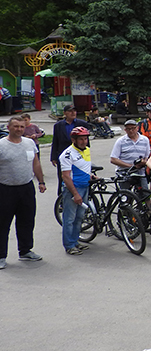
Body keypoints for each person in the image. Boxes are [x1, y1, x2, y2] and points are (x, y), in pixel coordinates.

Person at [0, 116, 46, 268]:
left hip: (26, 188)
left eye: (21, 126)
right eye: (15, 126)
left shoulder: (29, 143)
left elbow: (36, 162)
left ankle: (25, 251)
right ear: (9, 128)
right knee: (3, 223)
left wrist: (41, 181)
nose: (19, 129)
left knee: (27, 221)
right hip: (5, 189)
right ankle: (1, 256)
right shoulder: (1, 145)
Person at [59, 125, 93, 255]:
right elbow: (66, 177)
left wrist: (91, 175)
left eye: (85, 139)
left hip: (85, 186)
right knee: (69, 219)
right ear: (74, 140)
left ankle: (75, 241)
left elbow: (84, 167)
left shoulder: (87, 150)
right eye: (81, 139)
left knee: (79, 217)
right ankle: (69, 245)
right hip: (73, 188)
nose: (84, 141)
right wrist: (75, 194)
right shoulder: (67, 154)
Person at [50, 104, 91, 196]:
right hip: (64, 155)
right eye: (70, 111)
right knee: (64, 177)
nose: (73, 113)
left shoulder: (82, 124)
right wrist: (53, 157)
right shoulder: (58, 125)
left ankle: (81, 195)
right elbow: (55, 141)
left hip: (79, 155)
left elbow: (86, 142)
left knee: (79, 176)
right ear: (65, 113)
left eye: (74, 111)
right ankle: (62, 198)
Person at [111, 119, 151, 190]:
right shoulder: (120, 141)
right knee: (126, 197)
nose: (131, 131)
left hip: (140, 172)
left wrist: (143, 162)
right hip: (124, 172)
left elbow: (147, 156)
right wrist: (131, 166)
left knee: (145, 195)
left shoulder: (145, 140)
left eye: (133, 128)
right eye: (128, 129)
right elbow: (113, 159)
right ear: (125, 130)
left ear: (137, 128)